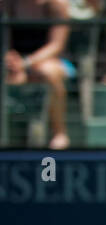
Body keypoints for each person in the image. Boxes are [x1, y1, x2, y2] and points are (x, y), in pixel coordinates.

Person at [4, 0, 73, 149]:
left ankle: (59, 133)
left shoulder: (57, 5)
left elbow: (57, 45)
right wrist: (10, 59)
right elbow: (6, 39)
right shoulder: (8, 4)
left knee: (48, 72)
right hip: (17, 62)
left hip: (50, 60)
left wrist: (26, 62)